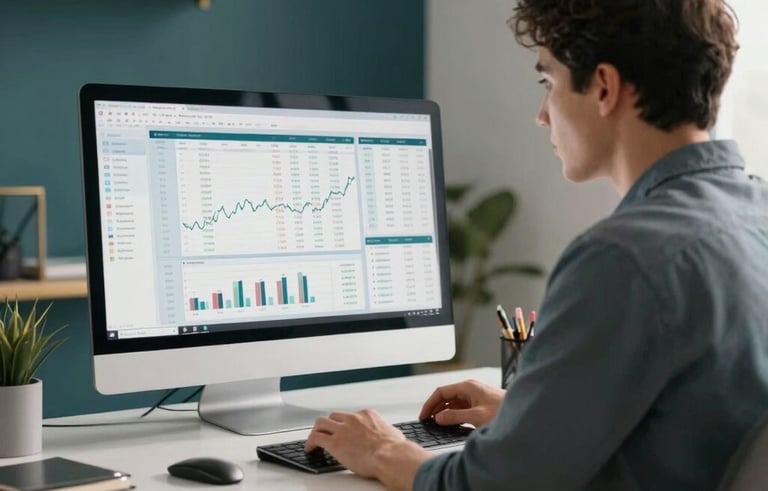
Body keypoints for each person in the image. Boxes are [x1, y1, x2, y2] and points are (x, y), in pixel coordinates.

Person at [306, 0, 768, 489]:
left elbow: (487, 485)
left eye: (548, 84)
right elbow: (690, 419)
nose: (542, 115)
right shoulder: (755, 214)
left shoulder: (624, 258)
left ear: (605, 88)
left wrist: (382, 450)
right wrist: (533, 416)